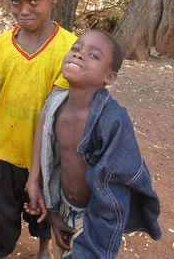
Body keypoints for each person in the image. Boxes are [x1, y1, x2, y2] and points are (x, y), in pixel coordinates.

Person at [24, 29, 162, 258]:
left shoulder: (112, 120)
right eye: (76, 49)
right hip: (64, 208)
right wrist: (39, 189)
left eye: (94, 56)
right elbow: (43, 120)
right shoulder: (56, 103)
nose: (79, 55)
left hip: (98, 217)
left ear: (108, 77)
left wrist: (94, 235)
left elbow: (117, 187)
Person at [0, 0, 78, 259]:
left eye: (33, 1)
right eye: (15, 2)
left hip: (47, 154)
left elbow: (56, 113)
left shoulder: (70, 48)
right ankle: (1, 252)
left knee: (44, 210)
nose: (23, 10)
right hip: (2, 150)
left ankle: (43, 248)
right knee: (3, 212)